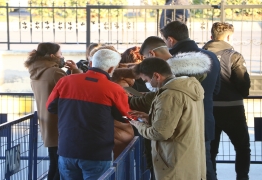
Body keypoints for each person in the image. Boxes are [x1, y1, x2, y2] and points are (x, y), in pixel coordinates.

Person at [129, 35, 211, 180]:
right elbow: (180, 122)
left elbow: (160, 133)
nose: (148, 84)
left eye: (147, 80)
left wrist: (138, 124)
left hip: (174, 165)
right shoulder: (187, 88)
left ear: (156, 76)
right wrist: (151, 118)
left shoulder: (169, 95)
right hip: (189, 162)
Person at [46, 49, 131, 179]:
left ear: (91, 64)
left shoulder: (66, 81)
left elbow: (50, 107)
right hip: (97, 153)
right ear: (111, 69)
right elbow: (125, 117)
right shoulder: (114, 89)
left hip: (67, 149)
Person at [160, 21, 221, 180]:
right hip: (205, 120)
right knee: (206, 166)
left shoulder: (171, 61)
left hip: (179, 124)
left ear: (171, 40)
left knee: (179, 169)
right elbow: (216, 90)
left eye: (166, 41)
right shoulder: (211, 56)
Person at [24, 42, 81, 180]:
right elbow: (75, 91)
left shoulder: (34, 72)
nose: (62, 57)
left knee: (54, 163)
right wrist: (76, 71)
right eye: (60, 54)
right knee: (61, 167)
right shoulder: (55, 72)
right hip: (61, 123)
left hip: (47, 123)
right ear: (52, 56)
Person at [203, 22, 251, 180]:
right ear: (229, 36)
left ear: (211, 36)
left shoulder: (200, 55)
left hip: (208, 109)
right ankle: (242, 177)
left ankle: (212, 177)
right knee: (242, 147)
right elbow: (243, 82)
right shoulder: (234, 55)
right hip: (232, 109)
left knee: (210, 149)